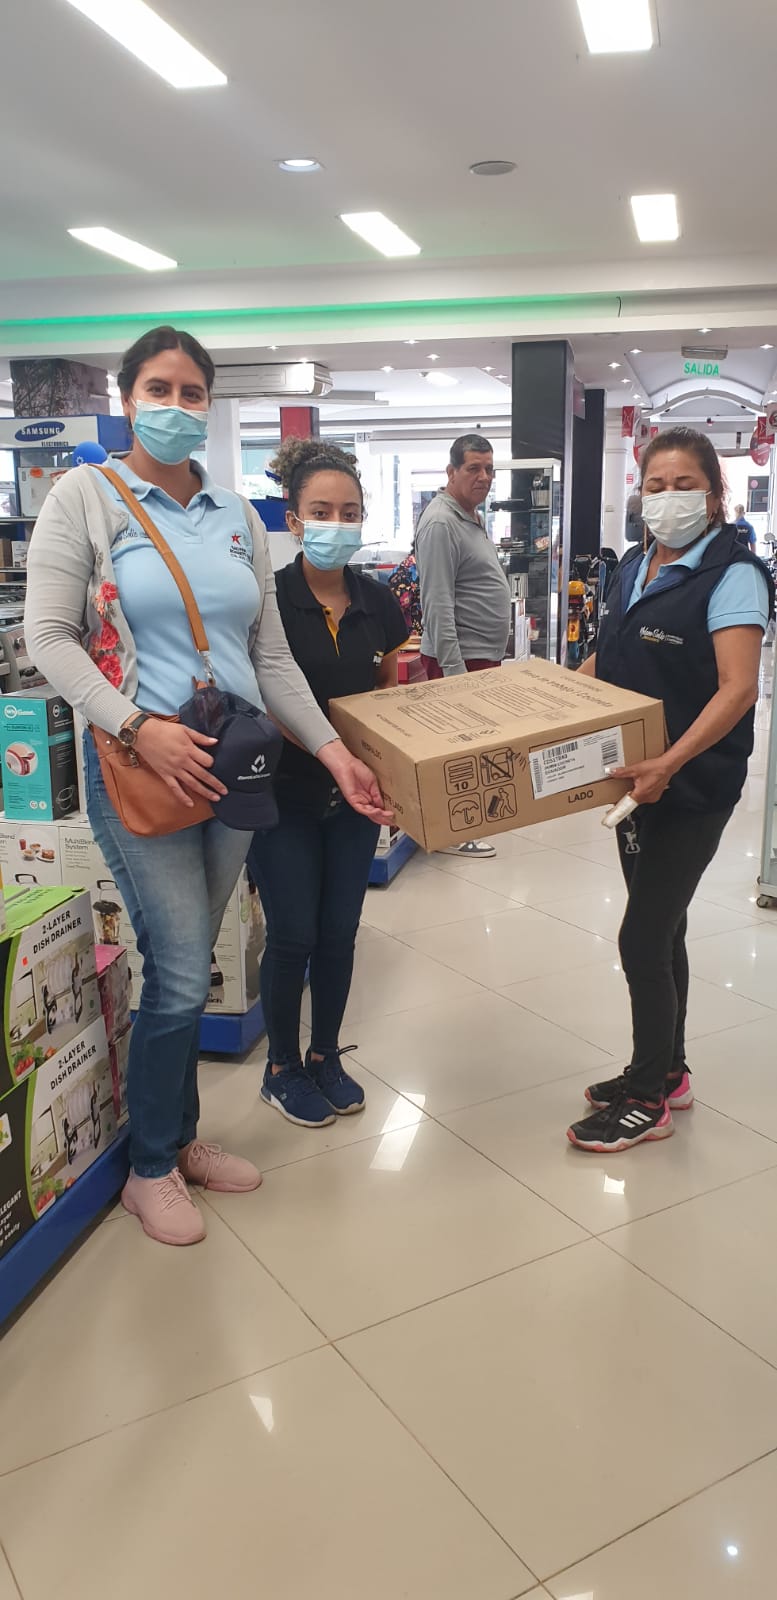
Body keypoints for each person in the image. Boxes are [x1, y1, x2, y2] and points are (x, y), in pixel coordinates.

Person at [24, 325, 390, 1245]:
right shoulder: (85, 496)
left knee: (189, 964)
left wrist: (333, 752)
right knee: (183, 970)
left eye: (193, 392)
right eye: (159, 388)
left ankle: (179, 1140)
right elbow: (49, 638)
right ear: (127, 397)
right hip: (140, 766)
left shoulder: (235, 515)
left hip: (233, 770)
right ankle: (150, 1166)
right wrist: (137, 727)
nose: (177, 406)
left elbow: (268, 655)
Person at [568, 426, 772, 1154]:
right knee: (666, 927)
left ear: (714, 496)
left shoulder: (733, 575)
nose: (667, 498)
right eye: (655, 486)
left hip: (691, 787)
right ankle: (667, 1069)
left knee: (642, 934)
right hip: (633, 783)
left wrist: (669, 764)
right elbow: (608, 657)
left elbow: (737, 689)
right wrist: (545, 700)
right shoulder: (634, 565)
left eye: (684, 485)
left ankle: (646, 1096)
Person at [247, 441, 407, 1127]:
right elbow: (260, 700)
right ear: (293, 519)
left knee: (339, 932)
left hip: (355, 802)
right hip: (282, 796)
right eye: (320, 511)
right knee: (293, 935)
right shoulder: (267, 601)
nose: (335, 523)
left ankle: (324, 1055)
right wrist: (329, 749)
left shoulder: (380, 604)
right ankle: (281, 1067)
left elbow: (386, 695)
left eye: (349, 512)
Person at [415, 433, 510, 859]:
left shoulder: (470, 515)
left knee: (470, 747)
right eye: (473, 468)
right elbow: (437, 603)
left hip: (479, 656)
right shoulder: (441, 523)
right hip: (458, 660)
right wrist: (455, 676)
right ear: (451, 472)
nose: (484, 477)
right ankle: (453, 831)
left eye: (489, 469)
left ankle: (465, 821)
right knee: (457, 750)